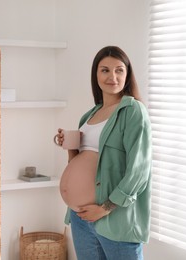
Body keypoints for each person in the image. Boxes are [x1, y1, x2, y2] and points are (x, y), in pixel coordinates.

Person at [55, 46, 152, 260]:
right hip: (81, 218)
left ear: (127, 75)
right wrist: (70, 147)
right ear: (96, 74)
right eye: (105, 70)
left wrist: (105, 208)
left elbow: (139, 170)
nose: (112, 77)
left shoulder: (133, 111)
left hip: (113, 217)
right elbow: (79, 163)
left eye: (119, 70)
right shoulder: (89, 115)